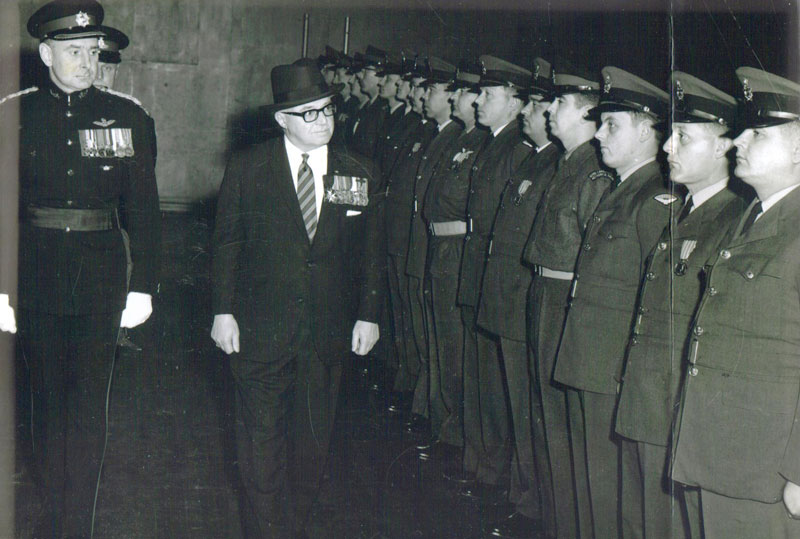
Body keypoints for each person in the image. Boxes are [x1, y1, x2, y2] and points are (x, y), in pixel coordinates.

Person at [0, 1, 161, 536]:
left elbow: (144, 210)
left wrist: (143, 286)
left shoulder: (129, 117)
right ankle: (53, 518)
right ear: (47, 54)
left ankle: (77, 527)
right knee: (45, 409)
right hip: (34, 277)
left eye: (93, 52)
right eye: (74, 52)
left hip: (100, 280)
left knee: (90, 411)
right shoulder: (13, 114)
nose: (87, 63)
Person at [210, 58, 385, 538]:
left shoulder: (360, 173)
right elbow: (227, 245)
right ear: (282, 120)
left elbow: (372, 254)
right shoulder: (249, 168)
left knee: (311, 454)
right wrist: (222, 311)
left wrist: (369, 315)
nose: (323, 120)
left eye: (327, 109)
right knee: (259, 450)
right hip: (260, 332)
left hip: (325, 336)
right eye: (309, 113)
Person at [669, 67, 800, 538]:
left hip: (765, 467)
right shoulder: (756, 215)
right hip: (723, 449)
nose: (738, 140)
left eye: (758, 133)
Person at [614, 71, 744, 539]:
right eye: (670, 135)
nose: (667, 146)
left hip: (674, 406)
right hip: (647, 398)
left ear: (723, 147)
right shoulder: (684, 209)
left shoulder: (733, 220)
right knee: (639, 521)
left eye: (683, 137)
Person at [553, 66, 674, 538]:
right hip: (591, 358)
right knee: (593, 483)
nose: (599, 134)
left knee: (612, 490)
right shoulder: (619, 188)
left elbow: (655, 298)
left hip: (612, 366)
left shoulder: (654, 199)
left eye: (611, 125)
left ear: (646, 132)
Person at [522, 63, 611, 538]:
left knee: (560, 419)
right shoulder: (568, 160)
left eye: (560, 103)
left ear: (586, 114)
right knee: (546, 414)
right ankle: (554, 519)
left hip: (566, 299)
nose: (548, 110)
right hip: (546, 292)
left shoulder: (593, 170)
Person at [476, 58, 562, 539]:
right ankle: (521, 494)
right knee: (515, 402)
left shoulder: (553, 161)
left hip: (525, 298)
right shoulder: (536, 157)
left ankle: (531, 504)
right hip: (510, 296)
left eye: (538, 105)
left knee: (529, 407)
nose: (531, 112)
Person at [457, 54, 531, 504]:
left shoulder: (517, 148)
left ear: (515, 102)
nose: (478, 101)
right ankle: (482, 465)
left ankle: (494, 471)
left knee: (498, 383)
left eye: (488, 94)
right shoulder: (493, 143)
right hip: (478, 267)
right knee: (481, 375)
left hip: (498, 274)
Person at [421, 60, 488, 477]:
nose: (458, 98)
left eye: (464, 91)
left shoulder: (482, 142)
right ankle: (445, 428)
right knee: (443, 344)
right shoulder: (461, 138)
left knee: (455, 347)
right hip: (441, 247)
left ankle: (456, 436)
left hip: (458, 250)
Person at [402, 57, 462, 451]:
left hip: (444, 248)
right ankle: (428, 407)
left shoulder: (458, 137)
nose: (424, 96)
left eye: (432, 89)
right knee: (429, 335)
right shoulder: (438, 133)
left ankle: (440, 419)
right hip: (426, 243)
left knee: (444, 343)